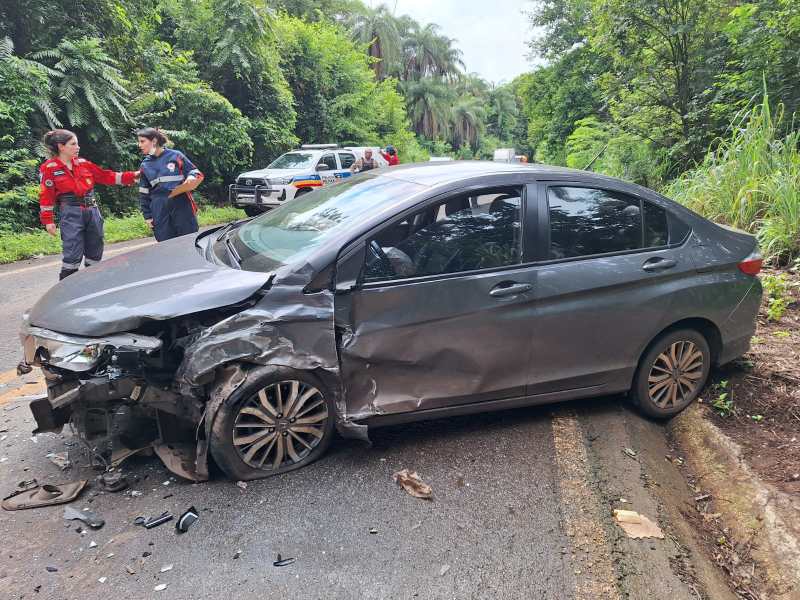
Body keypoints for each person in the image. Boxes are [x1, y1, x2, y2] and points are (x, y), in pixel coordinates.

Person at [38, 129, 139, 280]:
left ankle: (93, 283)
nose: (78, 147)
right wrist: (48, 221)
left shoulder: (83, 164)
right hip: (71, 213)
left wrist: (132, 176)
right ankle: (66, 289)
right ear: (61, 147)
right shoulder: (49, 168)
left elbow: (105, 176)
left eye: (77, 144)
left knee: (95, 249)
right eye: (73, 144)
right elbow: (46, 195)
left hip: (92, 211)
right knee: (72, 252)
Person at [136, 128, 204, 242]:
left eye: (142, 141)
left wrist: (191, 176)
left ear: (154, 141)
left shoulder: (176, 156)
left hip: (182, 205)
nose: (139, 145)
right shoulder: (145, 165)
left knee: (189, 242)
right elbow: (144, 193)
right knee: (166, 245)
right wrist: (147, 216)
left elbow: (194, 171)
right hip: (159, 209)